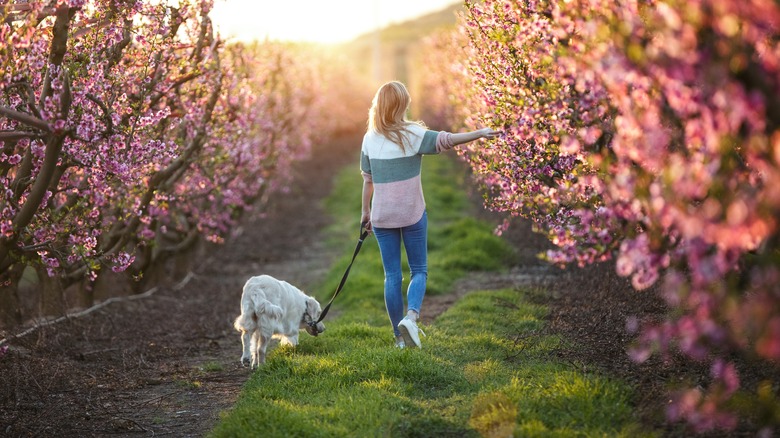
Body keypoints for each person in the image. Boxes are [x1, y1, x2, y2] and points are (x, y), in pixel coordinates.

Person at [360, 81, 499, 349]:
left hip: (382, 216)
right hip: (411, 212)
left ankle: (398, 338)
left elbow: (368, 180)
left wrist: (365, 213)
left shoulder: (369, 138)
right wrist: (479, 133)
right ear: (401, 105)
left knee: (391, 276)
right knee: (419, 270)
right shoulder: (412, 134)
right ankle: (411, 318)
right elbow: (446, 140)